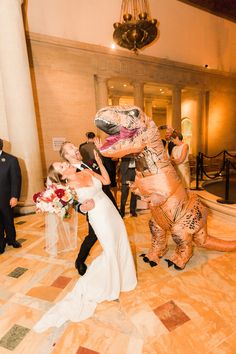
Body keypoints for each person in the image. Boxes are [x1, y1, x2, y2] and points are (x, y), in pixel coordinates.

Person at [33, 153, 137, 332]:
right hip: (99, 217)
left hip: (110, 211)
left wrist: (99, 163)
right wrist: (82, 207)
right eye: (62, 167)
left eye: (64, 163)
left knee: (121, 241)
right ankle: (111, 286)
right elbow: (72, 206)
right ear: (62, 177)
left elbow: (105, 181)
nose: (66, 164)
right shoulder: (67, 188)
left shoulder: (86, 171)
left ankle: (125, 278)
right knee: (110, 248)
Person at [59, 141, 119, 276]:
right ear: (66, 155)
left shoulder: (88, 164)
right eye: (71, 147)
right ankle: (80, 261)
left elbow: (107, 176)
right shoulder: (68, 173)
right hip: (93, 209)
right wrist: (82, 208)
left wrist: (102, 155)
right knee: (93, 236)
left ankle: (115, 257)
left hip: (107, 203)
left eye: (74, 146)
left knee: (112, 230)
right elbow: (68, 198)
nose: (76, 147)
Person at [0, 139, 22, 254]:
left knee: (8, 220)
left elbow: (16, 180)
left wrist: (14, 196)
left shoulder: (11, 160)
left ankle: (11, 240)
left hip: (6, 198)